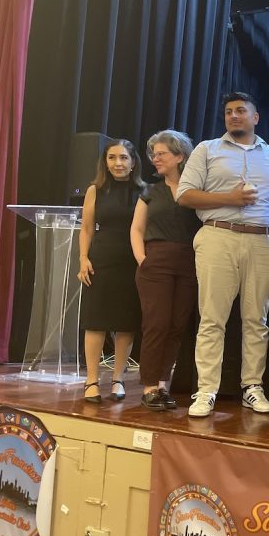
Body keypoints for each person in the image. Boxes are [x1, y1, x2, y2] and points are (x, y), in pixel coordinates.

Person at [176, 92, 269, 417]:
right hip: (217, 236)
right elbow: (184, 195)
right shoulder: (207, 149)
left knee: (257, 320)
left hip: (261, 241)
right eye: (229, 112)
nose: (234, 116)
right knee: (212, 319)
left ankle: (252, 387)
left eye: (241, 111)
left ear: (256, 118)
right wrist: (230, 198)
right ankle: (206, 391)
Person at [130, 130, 201, 411]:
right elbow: (136, 229)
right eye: (153, 154)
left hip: (189, 262)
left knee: (176, 326)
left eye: (161, 154)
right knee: (157, 324)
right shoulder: (150, 190)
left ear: (179, 156)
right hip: (155, 261)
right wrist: (142, 259)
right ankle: (149, 386)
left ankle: (162, 385)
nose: (155, 159)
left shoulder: (196, 191)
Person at [78, 140, 146, 403]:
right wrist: (83, 258)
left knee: (126, 322)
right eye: (112, 158)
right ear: (105, 161)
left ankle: (118, 378)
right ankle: (91, 381)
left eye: (124, 158)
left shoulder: (144, 191)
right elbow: (86, 228)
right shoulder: (95, 190)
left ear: (133, 162)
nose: (118, 163)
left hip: (131, 261)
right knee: (95, 320)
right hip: (101, 260)